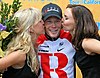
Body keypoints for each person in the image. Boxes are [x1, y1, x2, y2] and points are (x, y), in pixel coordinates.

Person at [0, 7, 44, 78]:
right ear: (30, 28)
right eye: (40, 21)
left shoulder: (31, 50)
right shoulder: (20, 54)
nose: (43, 22)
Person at [36, 3, 76, 78]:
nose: (53, 26)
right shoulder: (36, 40)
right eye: (49, 21)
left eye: (57, 21)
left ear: (62, 22)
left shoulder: (71, 36)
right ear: (43, 23)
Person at [62, 4, 100, 78]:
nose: (62, 20)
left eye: (66, 18)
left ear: (77, 22)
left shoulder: (87, 42)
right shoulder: (80, 42)